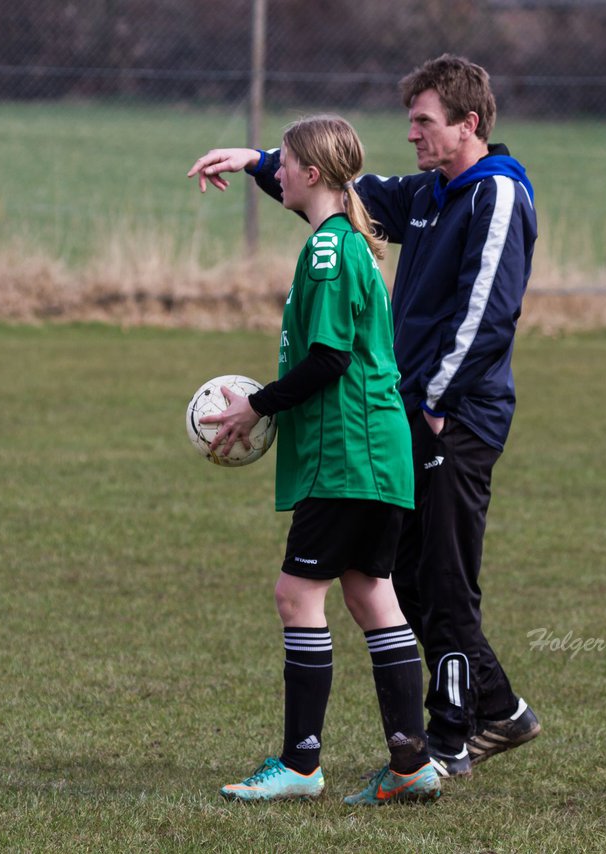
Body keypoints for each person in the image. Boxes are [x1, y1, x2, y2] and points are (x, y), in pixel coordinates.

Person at [188, 55, 540, 778]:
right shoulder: (431, 192)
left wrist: (438, 402)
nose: (410, 134)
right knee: (404, 578)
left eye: (423, 121)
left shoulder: (493, 194)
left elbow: (486, 313)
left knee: (439, 584)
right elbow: (348, 193)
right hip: (410, 413)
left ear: (468, 125)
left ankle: (444, 745)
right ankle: (499, 711)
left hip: (457, 416)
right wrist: (259, 159)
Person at [197, 114, 441, 806]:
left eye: (283, 163)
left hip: (347, 453)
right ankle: (411, 762)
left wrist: (259, 406)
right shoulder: (347, 240)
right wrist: (248, 158)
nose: (276, 171)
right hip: (377, 455)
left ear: (311, 174)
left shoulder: (330, 251)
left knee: (297, 595)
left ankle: (301, 763)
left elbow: (329, 360)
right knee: (370, 592)